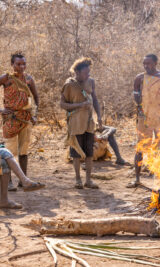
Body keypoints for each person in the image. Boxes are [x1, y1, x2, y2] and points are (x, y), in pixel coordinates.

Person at [0, 52, 39, 191]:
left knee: (24, 152)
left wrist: (34, 114)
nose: (21, 67)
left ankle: (24, 181)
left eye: (24, 64)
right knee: (8, 153)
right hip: (10, 119)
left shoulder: (29, 79)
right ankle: (8, 183)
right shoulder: (6, 78)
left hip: (26, 119)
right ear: (12, 64)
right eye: (18, 64)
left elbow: (35, 98)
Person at [127, 54, 160, 188]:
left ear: (156, 63)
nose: (146, 66)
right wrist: (141, 99)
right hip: (144, 118)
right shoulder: (139, 78)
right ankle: (137, 179)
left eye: (149, 63)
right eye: (144, 63)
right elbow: (137, 100)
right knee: (141, 148)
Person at [60, 57, 102, 189]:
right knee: (76, 154)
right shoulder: (69, 85)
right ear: (77, 72)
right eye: (85, 73)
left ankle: (88, 180)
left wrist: (99, 116)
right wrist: (80, 105)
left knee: (89, 153)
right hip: (75, 123)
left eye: (89, 72)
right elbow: (63, 104)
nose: (88, 75)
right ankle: (78, 179)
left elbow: (95, 99)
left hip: (89, 123)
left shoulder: (91, 82)